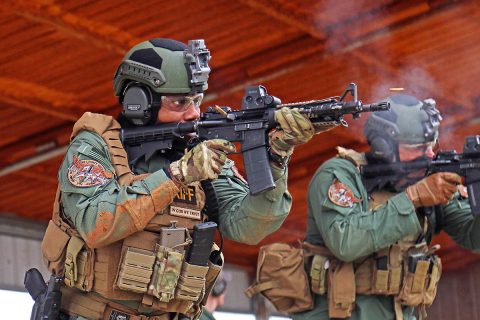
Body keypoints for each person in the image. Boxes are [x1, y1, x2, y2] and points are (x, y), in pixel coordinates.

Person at [39, 38, 328, 320]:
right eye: (179, 102)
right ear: (139, 101)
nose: (193, 112)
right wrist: (177, 174)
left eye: (197, 100)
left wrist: (276, 156)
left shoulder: (198, 151)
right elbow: (95, 224)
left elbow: (248, 227)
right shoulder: (96, 146)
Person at [293, 93, 480, 320]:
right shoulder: (340, 174)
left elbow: (473, 238)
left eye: (432, 145)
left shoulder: (429, 178)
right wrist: (412, 199)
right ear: (385, 146)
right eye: (418, 147)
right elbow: (345, 242)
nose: (430, 154)